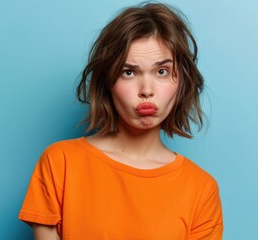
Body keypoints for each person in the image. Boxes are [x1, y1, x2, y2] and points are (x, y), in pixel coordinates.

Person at [18, 2, 223, 239]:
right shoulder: (60, 164)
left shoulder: (201, 189)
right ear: (108, 81)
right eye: (129, 72)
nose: (146, 90)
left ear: (182, 82)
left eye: (162, 71)